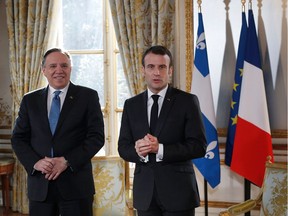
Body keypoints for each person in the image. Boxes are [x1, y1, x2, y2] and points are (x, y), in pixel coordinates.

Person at [11, 48, 104, 216]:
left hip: (76, 185)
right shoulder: (29, 100)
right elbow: (18, 139)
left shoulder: (88, 96)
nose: (59, 70)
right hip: (40, 185)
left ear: (70, 69)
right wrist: (35, 163)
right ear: (44, 70)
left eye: (64, 65)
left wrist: (67, 161)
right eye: (53, 66)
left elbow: (96, 138)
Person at [118, 45, 207, 216]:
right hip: (145, 195)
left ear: (170, 70)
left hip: (179, 194)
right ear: (143, 70)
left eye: (162, 67)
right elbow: (123, 147)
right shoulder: (131, 104)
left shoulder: (187, 101)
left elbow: (199, 146)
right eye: (151, 67)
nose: (156, 72)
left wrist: (160, 149)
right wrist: (137, 150)